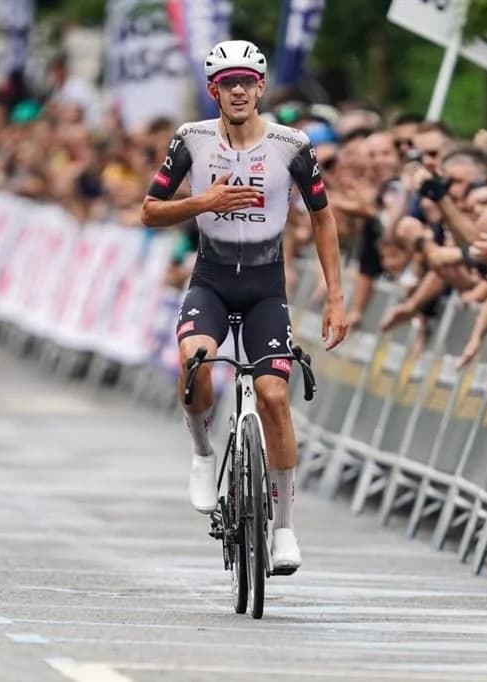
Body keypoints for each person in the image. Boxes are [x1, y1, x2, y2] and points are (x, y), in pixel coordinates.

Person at [140, 40, 349, 575]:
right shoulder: (192, 139)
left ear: (260, 88)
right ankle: (203, 453)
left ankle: (284, 530)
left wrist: (336, 296)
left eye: (247, 82)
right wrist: (203, 202)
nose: (238, 90)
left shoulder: (291, 143)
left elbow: (323, 217)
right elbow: (150, 211)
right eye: (227, 83)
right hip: (210, 279)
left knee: (275, 396)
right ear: (215, 90)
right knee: (196, 368)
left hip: (264, 286)